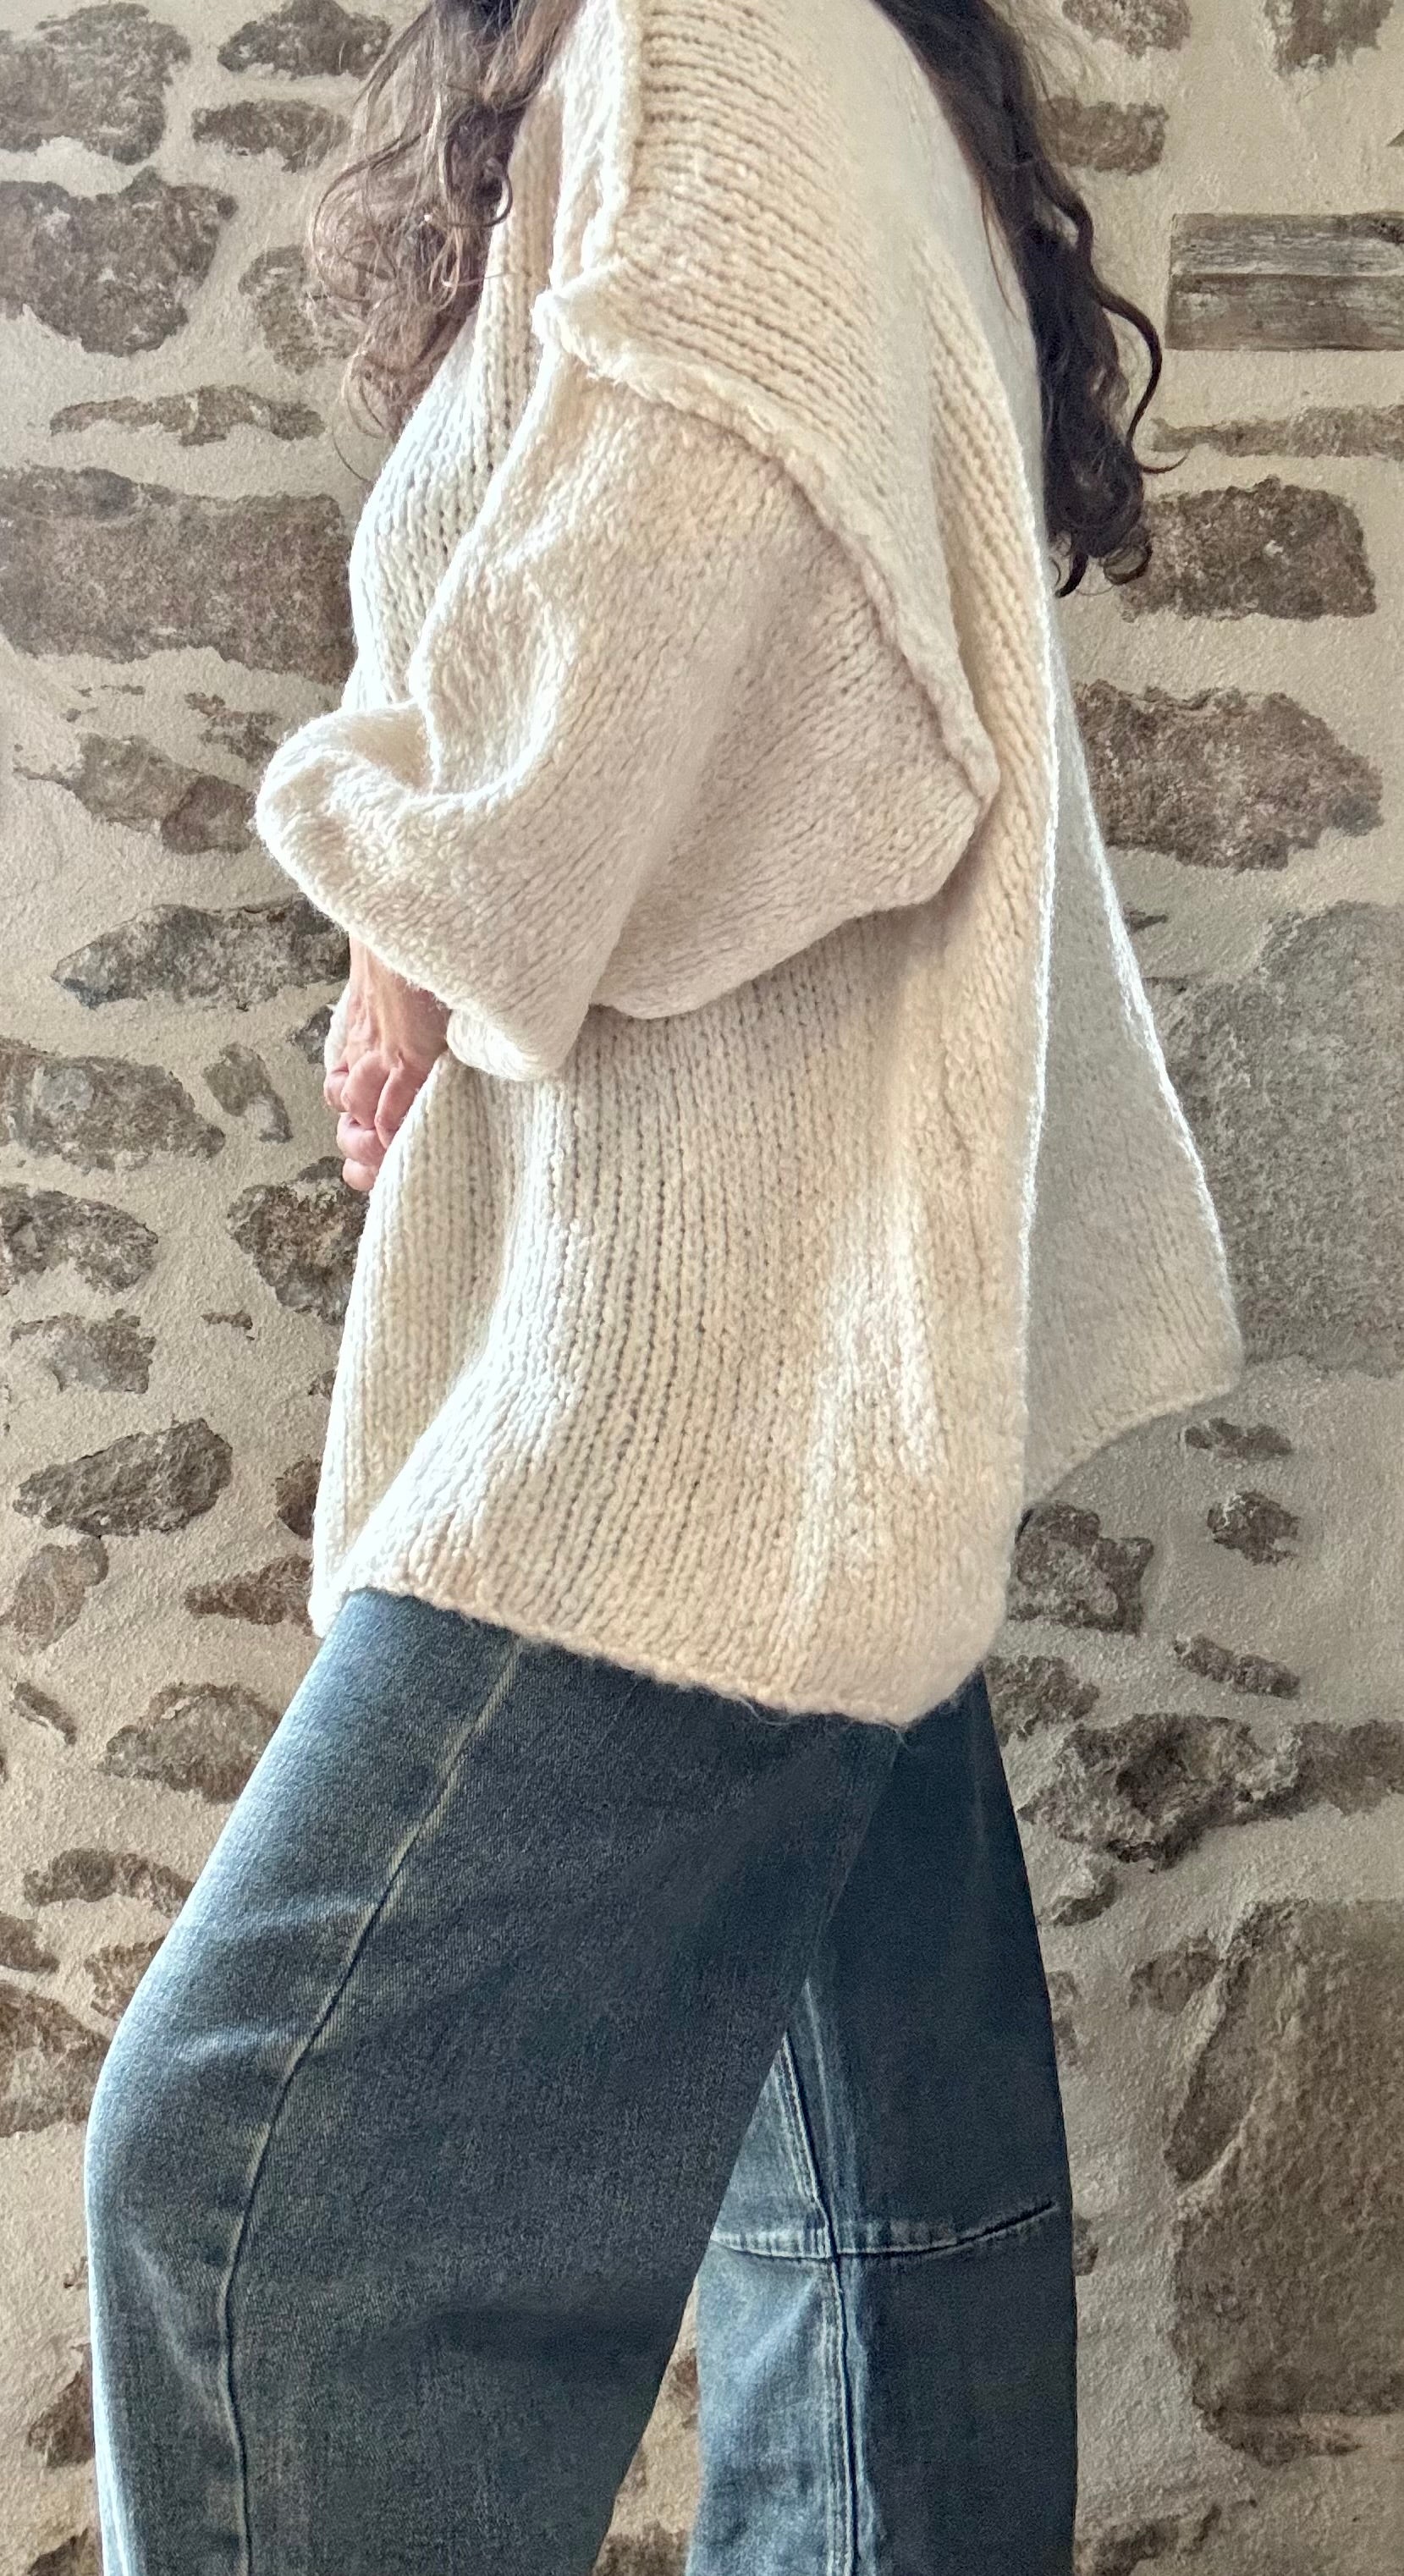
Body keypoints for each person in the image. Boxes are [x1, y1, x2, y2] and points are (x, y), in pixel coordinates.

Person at [81, 0, 1244, 2568]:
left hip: (678, 1378)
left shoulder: (718, 36)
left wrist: (420, 907)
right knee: (874, 2243)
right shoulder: (808, 56)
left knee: (242, 2197)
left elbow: (677, 535)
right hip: (817, 1352)